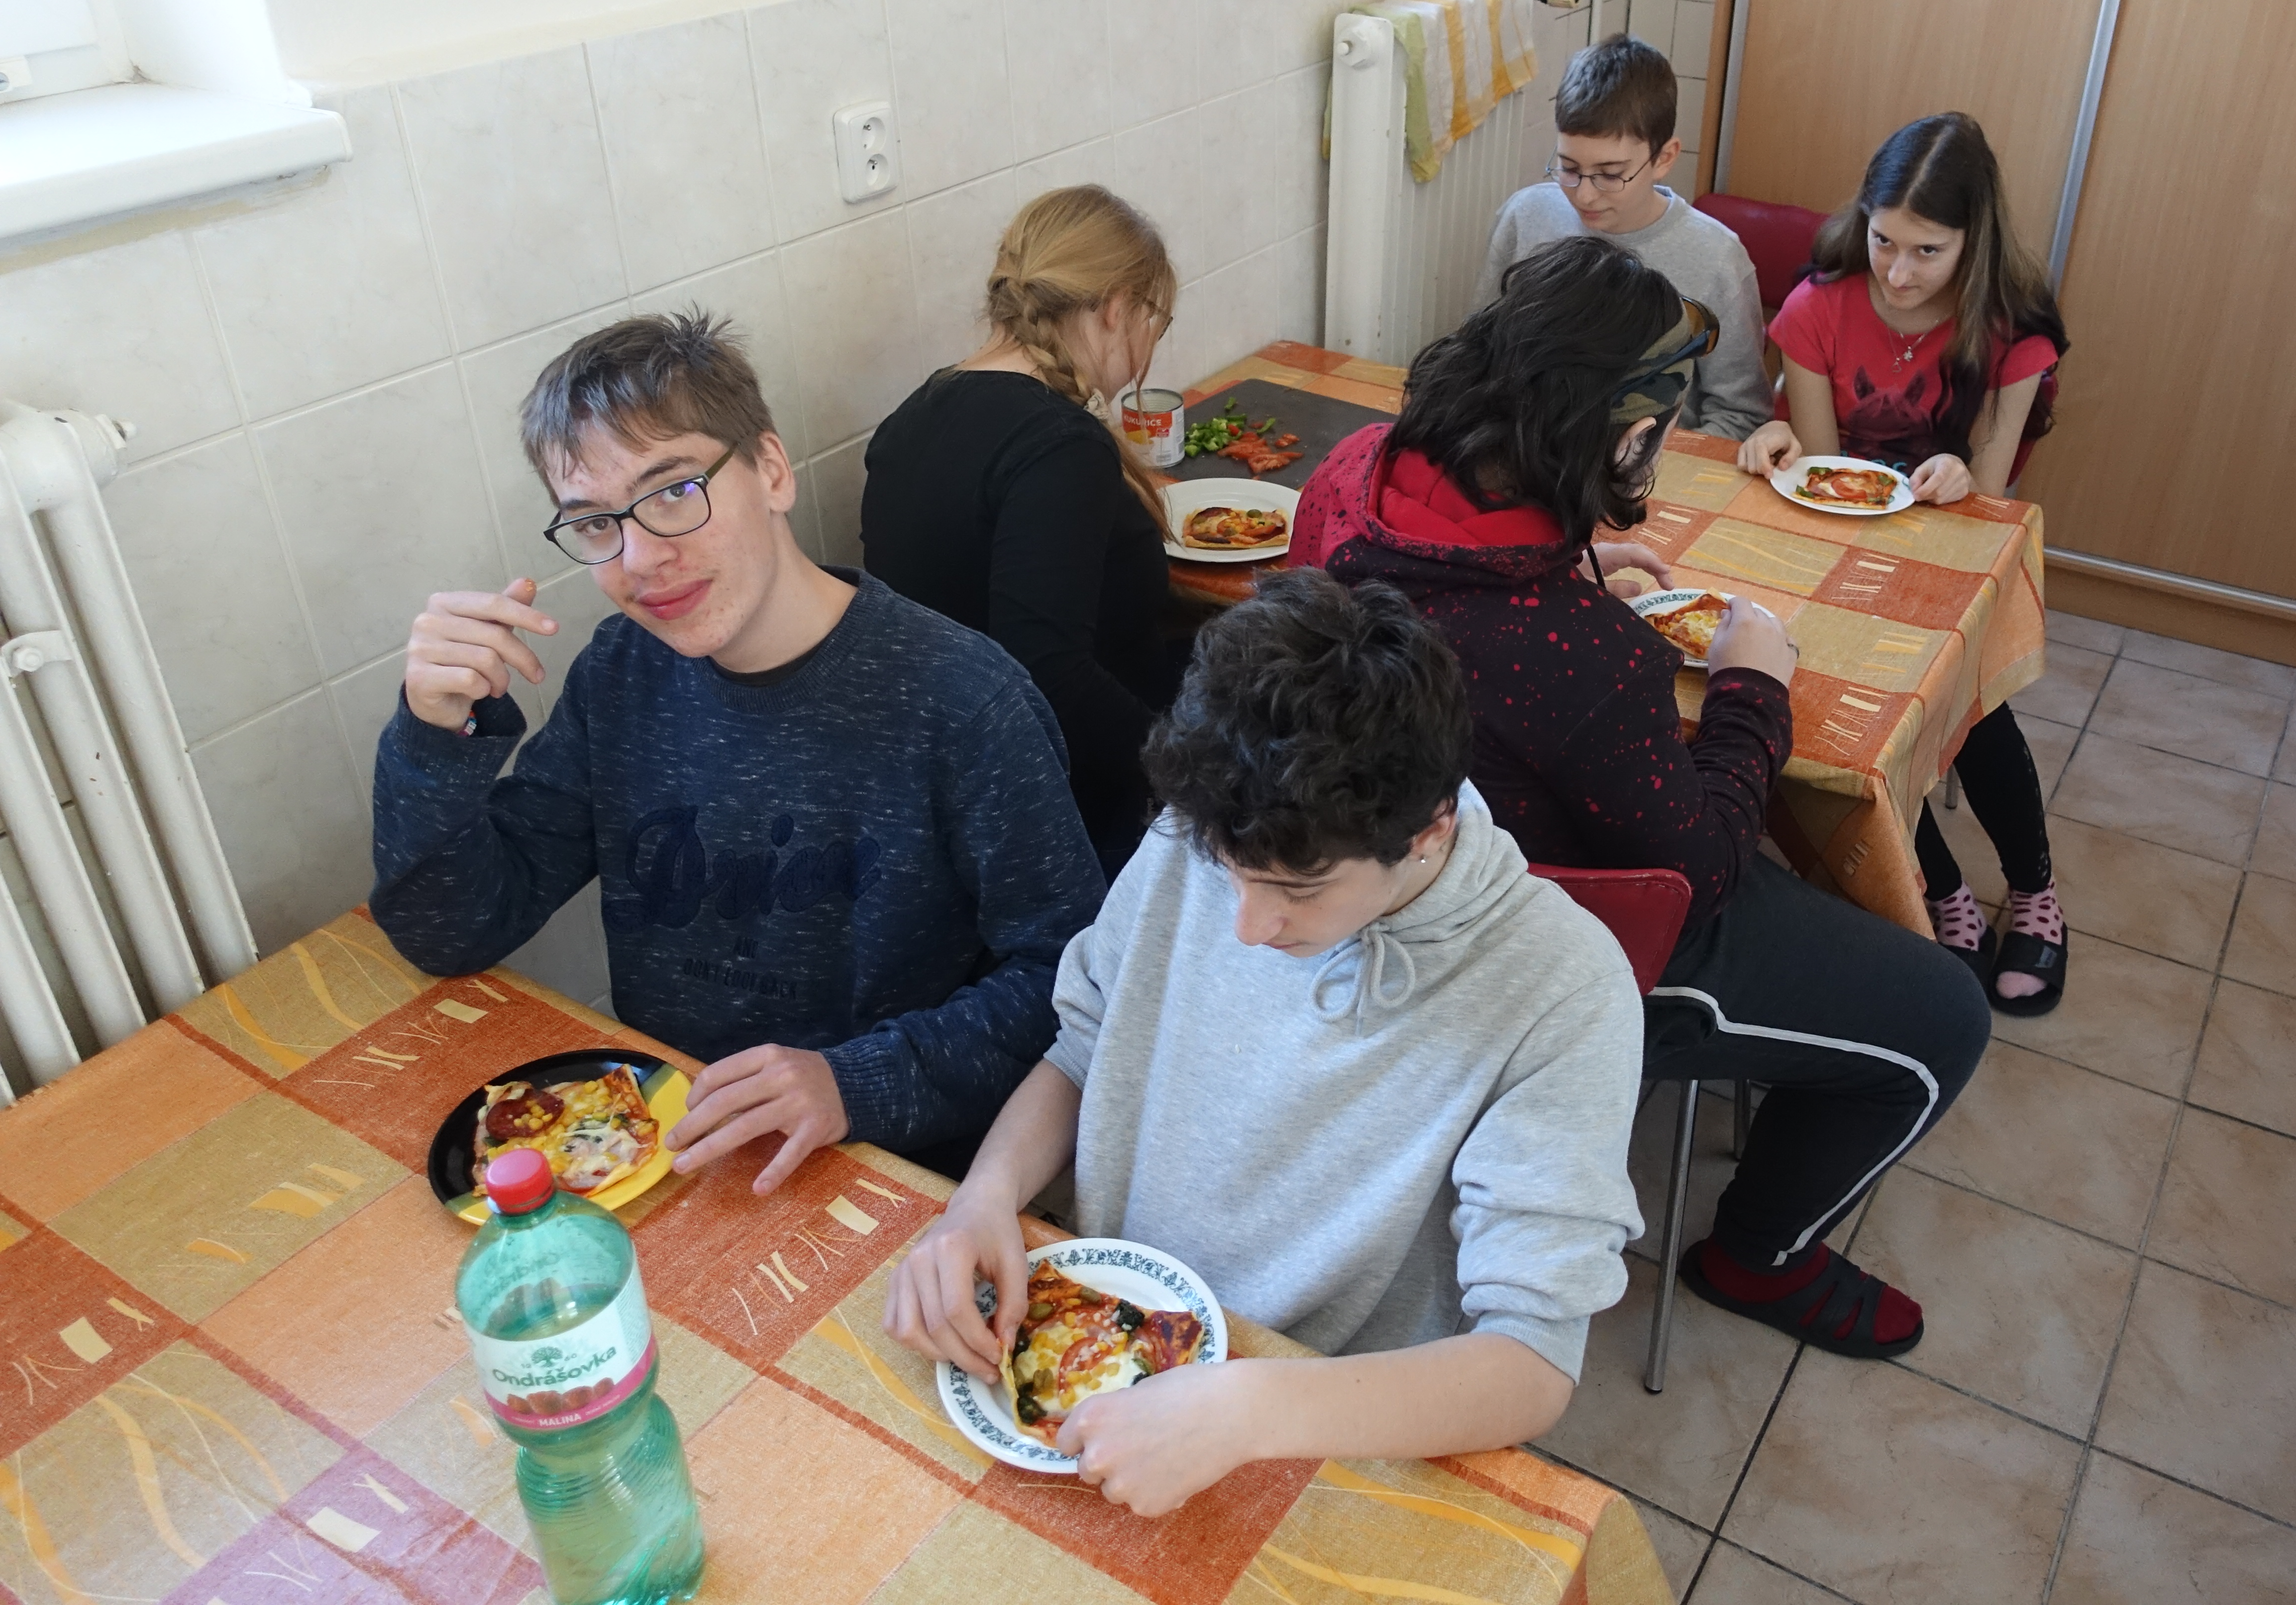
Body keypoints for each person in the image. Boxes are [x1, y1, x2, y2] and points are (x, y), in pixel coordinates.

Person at [1288, 235, 1988, 1359]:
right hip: (1548, 950)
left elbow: (1451, 600)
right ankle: (1758, 1255)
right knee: (1942, 1016)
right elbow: (1698, 872)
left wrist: (1570, 570)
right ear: (1625, 436)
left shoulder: (1353, 472)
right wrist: (1753, 687)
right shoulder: (1577, 654)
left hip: (1367, 899)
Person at [887, 570, 1644, 1517]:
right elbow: (1083, 1047)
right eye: (1229, 872)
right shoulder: (1209, 825)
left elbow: (1530, 1363)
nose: (1246, 925)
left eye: (1298, 889)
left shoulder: (1563, 984)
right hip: (1104, 1338)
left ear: (1429, 830)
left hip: (1324, 1422)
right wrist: (984, 1197)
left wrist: (1248, 1409)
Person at [372, 311, 1106, 1194]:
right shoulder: (620, 673)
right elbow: (450, 930)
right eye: (595, 523)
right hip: (666, 1152)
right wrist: (432, 734)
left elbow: (1071, 984)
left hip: (898, 1172)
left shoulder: (963, 699)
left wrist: (852, 1082)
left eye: (675, 491)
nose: (641, 558)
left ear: (772, 471)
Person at [1735, 113, 2073, 1013]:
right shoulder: (1818, 306)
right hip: (1843, 549)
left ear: (1973, 241)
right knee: (1838, 718)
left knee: (1969, 708)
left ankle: (2035, 890)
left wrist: (1961, 474)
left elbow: (1988, 502)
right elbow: (1821, 470)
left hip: (1952, 551)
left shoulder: (2010, 332)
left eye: (1928, 251)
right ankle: (1941, 888)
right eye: (1883, 240)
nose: (1897, 271)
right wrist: (1776, 438)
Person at [859, 186, 1191, 876]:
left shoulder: (913, 415)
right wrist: (1190, 776)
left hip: (955, 793)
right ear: (1116, 307)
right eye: (1154, 321)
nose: (1150, 346)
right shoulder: (1060, 447)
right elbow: (1048, 671)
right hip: (1072, 812)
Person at [1479, 33, 1771, 440]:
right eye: (1568, 168)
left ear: (1664, 158)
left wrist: (1645, 463)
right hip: (1527, 449)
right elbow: (1481, 359)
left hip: (1651, 464)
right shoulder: (1525, 216)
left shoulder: (1717, 257)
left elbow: (1741, 415)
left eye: (1611, 175)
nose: (1585, 194)